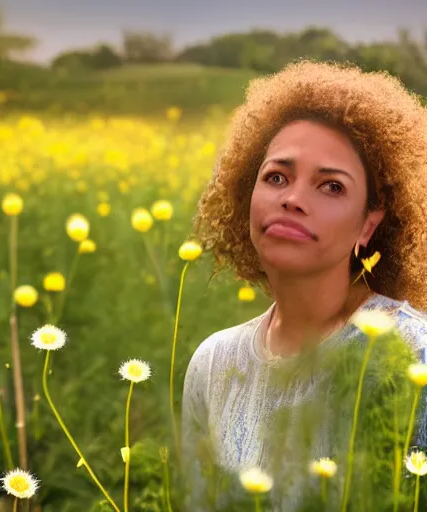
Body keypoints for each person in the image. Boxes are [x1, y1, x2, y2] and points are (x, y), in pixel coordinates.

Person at [181, 60, 427, 511]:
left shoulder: (413, 356)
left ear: (369, 224)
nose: (292, 199)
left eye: (330, 186)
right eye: (277, 177)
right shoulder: (212, 363)